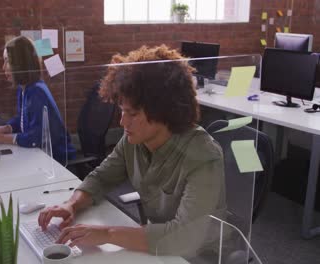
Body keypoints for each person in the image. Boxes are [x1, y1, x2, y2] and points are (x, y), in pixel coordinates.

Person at [37, 45, 226, 256]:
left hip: (200, 256)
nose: (122, 121)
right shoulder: (133, 140)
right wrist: (71, 205)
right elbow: (101, 178)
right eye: (122, 110)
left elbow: (184, 238)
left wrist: (107, 234)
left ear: (165, 111)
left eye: (133, 114)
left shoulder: (202, 155)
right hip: (156, 248)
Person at [0, 36, 75, 164]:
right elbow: (23, 119)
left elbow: (35, 138)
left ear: (20, 64)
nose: (3, 67)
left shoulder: (37, 92)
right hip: (38, 153)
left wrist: (2, 138)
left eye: (7, 61)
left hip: (54, 158)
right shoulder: (24, 88)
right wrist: (3, 129)